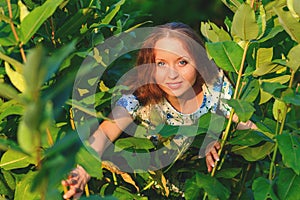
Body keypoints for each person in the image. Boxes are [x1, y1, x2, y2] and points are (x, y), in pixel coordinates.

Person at [62, 22, 257, 199]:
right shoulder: (140, 98)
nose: (172, 75)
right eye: (161, 64)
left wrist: (219, 138)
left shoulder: (215, 86)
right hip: (154, 191)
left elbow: (249, 126)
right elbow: (105, 132)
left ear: (198, 62)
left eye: (182, 62)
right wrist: (82, 171)